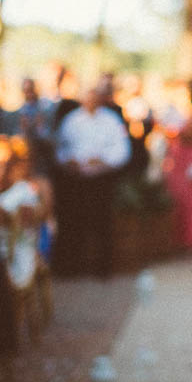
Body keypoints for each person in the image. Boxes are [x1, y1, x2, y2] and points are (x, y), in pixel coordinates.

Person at [53, 85, 130, 276]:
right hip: (77, 181)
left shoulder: (111, 121)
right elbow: (61, 147)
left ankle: (103, 269)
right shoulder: (71, 121)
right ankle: (74, 267)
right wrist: (67, 161)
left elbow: (121, 149)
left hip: (101, 180)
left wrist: (104, 161)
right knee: (75, 224)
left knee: (102, 223)